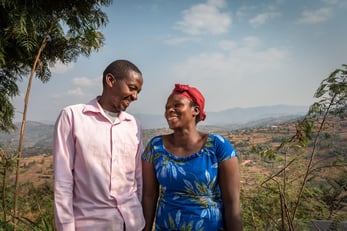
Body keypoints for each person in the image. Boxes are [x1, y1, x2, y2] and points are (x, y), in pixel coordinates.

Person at [53, 59, 145, 231]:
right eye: (132, 88)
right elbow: (63, 180)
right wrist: (65, 227)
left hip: (132, 223)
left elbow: (137, 177)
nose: (135, 96)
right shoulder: (73, 117)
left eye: (138, 91)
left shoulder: (134, 124)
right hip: (92, 224)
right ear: (110, 81)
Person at [142, 83, 242, 231]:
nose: (170, 110)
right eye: (167, 107)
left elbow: (232, 203)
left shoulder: (218, 147)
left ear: (195, 110)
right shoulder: (156, 147)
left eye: (177, 105)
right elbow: (149, 197)